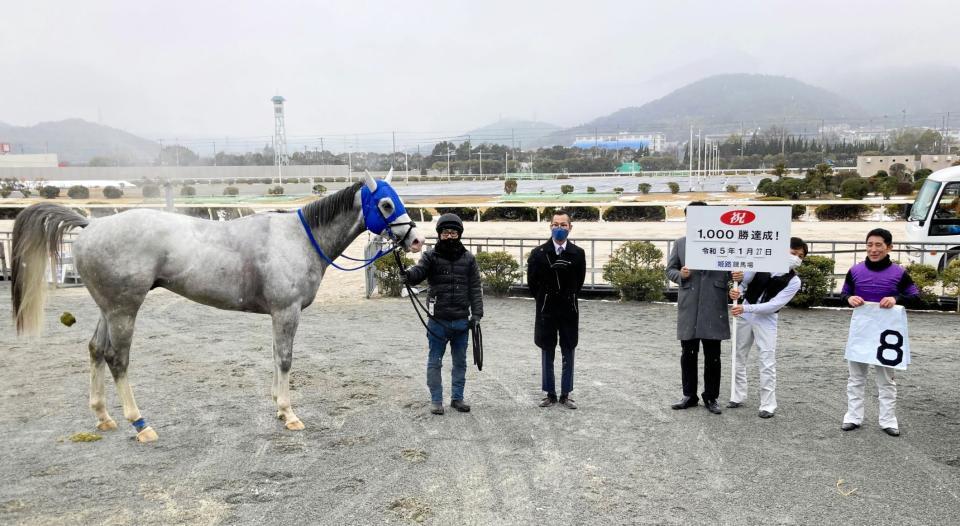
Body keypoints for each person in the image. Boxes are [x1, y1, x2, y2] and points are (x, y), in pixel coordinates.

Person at [839, 228, 918, 437]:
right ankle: (853, 417)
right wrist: (848, 299)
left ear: (889, 247)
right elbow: (844, 293)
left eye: (878, 245)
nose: (873, 249)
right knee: (855, 377)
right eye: (869, 245)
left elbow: (915, 297)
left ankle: (888, 420)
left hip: (888, 333)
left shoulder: (899, 273)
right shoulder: (855, 271)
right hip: (861, 331)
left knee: (886, 379)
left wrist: (896, 299)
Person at [666, 201, 742, 415]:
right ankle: (688, 395)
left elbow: (733, 273)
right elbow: (669, 270)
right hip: (689, 304)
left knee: (713, 354)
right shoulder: (680, 243)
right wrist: (681, 274)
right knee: (688, 353)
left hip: (714, 303)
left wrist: (737, 277)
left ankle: (711, 396)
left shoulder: (726, 242)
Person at [404, 213, 483, 415]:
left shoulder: (468, 258)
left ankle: (457, 398)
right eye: (446, 232)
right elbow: (418, 273)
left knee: (460, 363)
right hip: (437, 321)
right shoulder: (430, 256)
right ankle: (436, 400)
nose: (449, 236)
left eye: (453, 232)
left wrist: (477, 315)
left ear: (459, 234)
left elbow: (475, 288)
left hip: (461, 321)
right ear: (439, 234)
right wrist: (408, 275)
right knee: (434, 361)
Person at [727, 237, 806, 419]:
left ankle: (768, 404)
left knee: (766, 359)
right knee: (738, 354)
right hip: (745, 312)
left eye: (800, 256)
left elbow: (773, 305)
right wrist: (736, 289)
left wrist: (746, 307)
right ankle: (737, 395)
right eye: (793, 253)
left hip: (766, 319)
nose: (796, 258)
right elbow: (743, 283)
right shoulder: (762, 262)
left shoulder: (794, 281)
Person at [527, 210, 586, 409]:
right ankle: (550, 393)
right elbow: (532, 283)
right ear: (550, 226)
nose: (559, 228)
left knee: (568, 349)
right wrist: (544, 298)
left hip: (569, 309)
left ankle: (566, 393)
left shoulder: (578, 253)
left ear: (570, 227)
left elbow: (579, 282)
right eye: (555, 224)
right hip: (547, 309)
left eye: (563, 225)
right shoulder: (538, 253)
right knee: (547, 350)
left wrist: (567, 295)